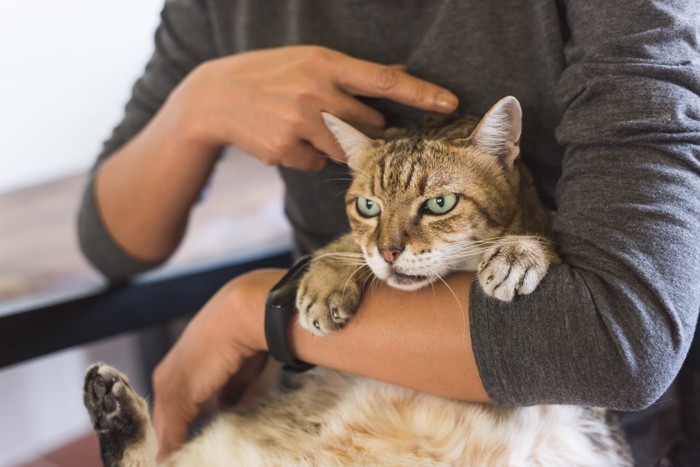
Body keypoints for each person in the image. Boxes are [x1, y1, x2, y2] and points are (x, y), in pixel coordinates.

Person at [77, 1, 700, 465]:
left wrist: (261, 312)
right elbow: (111, 243)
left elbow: (622, 342)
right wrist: (198, 105)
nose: (393, 242)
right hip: (341, 412)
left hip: (537, 428)